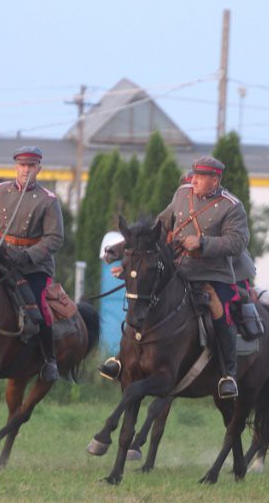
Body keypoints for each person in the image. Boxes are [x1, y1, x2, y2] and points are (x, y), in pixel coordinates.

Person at [100, 156, 248, 398]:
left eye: (201, 177)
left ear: (215, 180)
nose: (195, 180)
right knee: (143, 298)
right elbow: (159, 226)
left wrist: (202, 242)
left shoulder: (232, 206)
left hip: (212, 273)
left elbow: (238, 242)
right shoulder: (183, 194)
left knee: (221, 312)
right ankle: (120, 359)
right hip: (179, 266)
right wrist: (120, 248)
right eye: (195, 175)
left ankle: (227, 374)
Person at [0, 146, 64, 382]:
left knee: (38, 304)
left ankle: (49, 361)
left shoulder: (48, 201)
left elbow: (55, 238)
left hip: (34, 265)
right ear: (16, 167)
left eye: (31, 166)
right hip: (2, 259)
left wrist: (28, 256)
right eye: (23, 165)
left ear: (39, 169)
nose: (26, 170)